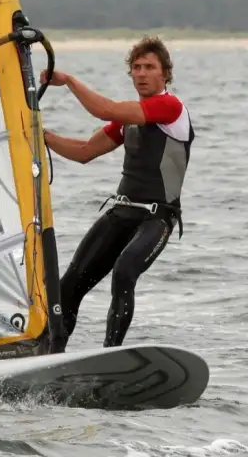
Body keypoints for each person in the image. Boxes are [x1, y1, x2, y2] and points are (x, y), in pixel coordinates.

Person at [39, 35, 195, 351]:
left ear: (165, 73)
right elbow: (84, 151)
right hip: (122, 212)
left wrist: (68, 81)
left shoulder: (171, 108)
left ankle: (111, 354)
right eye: (136, 67)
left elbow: (105, 109)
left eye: (149, 67)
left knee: (124, 271)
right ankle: (50, 353)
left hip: (156, 218)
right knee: (69, 284)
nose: (141, 73)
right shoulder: (128, 121)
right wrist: (40, 135)